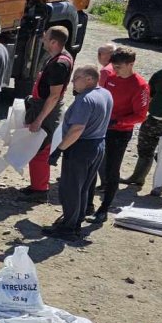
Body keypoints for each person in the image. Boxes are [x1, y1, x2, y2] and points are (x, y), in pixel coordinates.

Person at [44, 65, 112, 242]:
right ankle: (74, 223)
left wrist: (59, 149)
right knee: (83, 188)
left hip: (80, 149)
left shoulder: (85, 100)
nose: (73, 82)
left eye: (76, 78)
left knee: (71, 189)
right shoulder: (105, 94)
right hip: (98, 145)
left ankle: (68, 228)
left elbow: (77, 130)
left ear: (89, 79)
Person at [91, 46, 149, 221]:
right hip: (102, 128)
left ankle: (104, 209)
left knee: (111, 170)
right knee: (92, 164)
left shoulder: (140, 85)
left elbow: (140, 115)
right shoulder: (111, 78)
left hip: (119, 133)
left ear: (130, 64)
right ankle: (87, 205)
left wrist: (117, 122)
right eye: (113, 67)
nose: (114, 71)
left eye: (118, 67)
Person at [22, 25, 74, 199]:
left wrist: (39, 120)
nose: (43, 39)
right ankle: (36, 185)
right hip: (42, 106)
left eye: (46, 37)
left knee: (41, 148)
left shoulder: (59, 64)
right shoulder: (60, 58)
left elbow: (53, 96)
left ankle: (40, 190)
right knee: (36, 147)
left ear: (53, 42)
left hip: (46, 110)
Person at [126, 46, 162, 192]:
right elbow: (149, 95)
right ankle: (138, 178)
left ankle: (160, 186)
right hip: (152, 120)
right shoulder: (159, 76)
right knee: (145, 151)